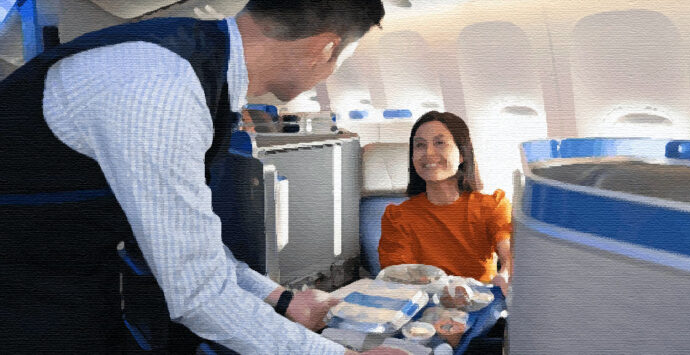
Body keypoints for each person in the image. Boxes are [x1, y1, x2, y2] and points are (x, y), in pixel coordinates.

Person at [0, 1, 403, 354]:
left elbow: (190, 246)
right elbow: (199, 295)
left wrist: (281, 299)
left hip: (69, 275)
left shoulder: (198, 71)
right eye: (342, 59)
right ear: (326, 48)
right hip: (24, 294)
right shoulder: (160, 86)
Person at [377, 111, 513, 296]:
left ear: (462, 154)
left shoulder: (492, 207)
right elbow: (400, 279)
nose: (428, 153)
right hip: (423, 309)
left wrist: (504, 274)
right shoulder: (398, 217)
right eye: (420, 145)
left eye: (440, 143)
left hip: (480, 304)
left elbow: (510, 255)